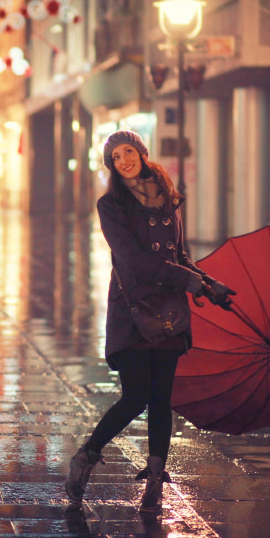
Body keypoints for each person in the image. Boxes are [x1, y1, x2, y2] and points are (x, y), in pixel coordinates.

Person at [65, 130, 235, 513]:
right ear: (111, 165)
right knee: (135, 396)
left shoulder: (168, 199)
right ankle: (87, 456)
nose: (124, 160)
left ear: (142, 153)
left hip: (170, 313)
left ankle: (155, 482)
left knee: (161, 400)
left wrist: (209, 284)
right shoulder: (111, 204)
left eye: (129, 152)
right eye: (116, 157)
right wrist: (188, 280)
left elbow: (180, 255)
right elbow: (132, 261)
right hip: (133, 310)